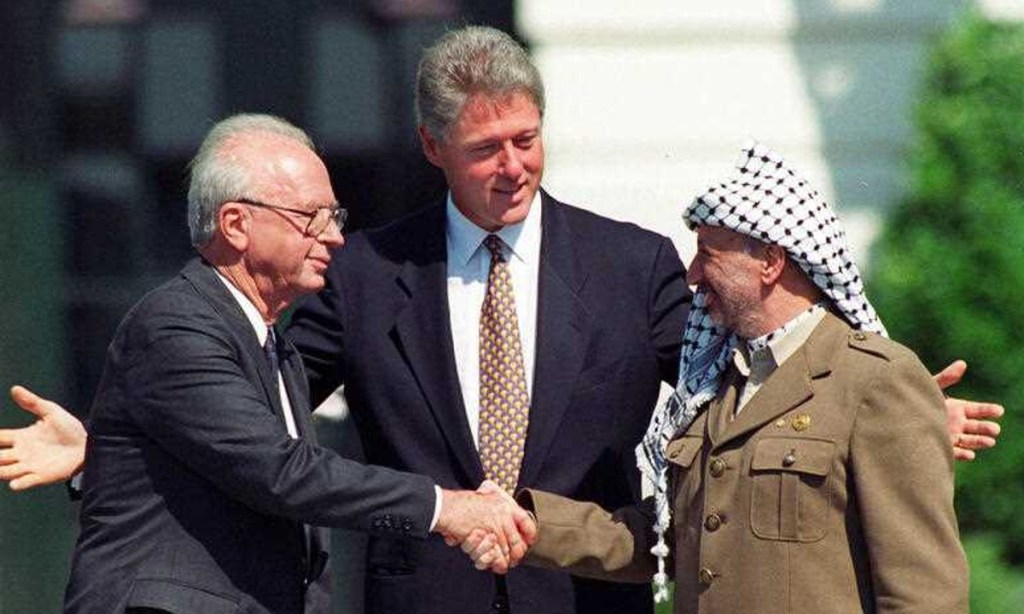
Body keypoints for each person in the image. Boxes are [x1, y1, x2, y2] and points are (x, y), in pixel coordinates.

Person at [0, 25, 1001, 614]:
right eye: (486, 147)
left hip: (584, 597)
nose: (513, 164)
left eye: (527, 138)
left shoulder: (630, 262)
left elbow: (737, 377)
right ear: (434, 147)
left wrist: (884, 410)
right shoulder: (365, 272)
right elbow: (259, 427)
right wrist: (111, 444)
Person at [21, 113, 534, 614]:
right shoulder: (175, 327)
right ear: (236, 224)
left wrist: (100, 452)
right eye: (311, 216)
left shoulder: (274, 345)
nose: (333, 235)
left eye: (335, 217)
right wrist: (446, 509)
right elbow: (280, 472)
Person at [487, 142, 969, 613]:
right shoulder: (714, 386)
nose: (692, 275)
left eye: (708, 255)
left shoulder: (874, 383)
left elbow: (924, 593)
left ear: (770, 263)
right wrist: (528, 523)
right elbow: (669, 540)